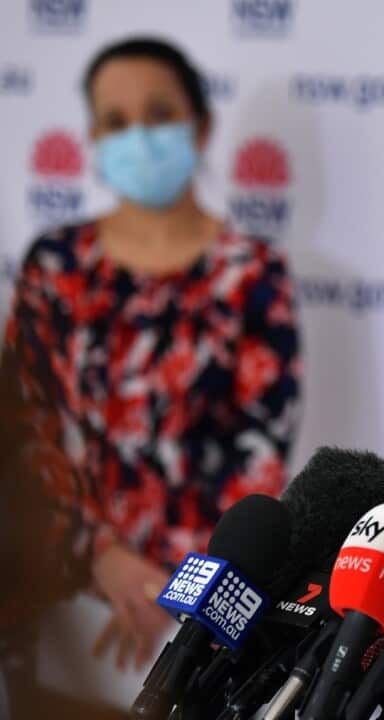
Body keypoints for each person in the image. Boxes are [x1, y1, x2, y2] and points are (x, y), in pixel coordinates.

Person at [1, 36, 301, 671]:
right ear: (94, 138)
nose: (138, 136)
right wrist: (100, 556)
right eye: (115, 121)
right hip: (57, 595)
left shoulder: (253, 275)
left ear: (201, 125)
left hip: (192, 612)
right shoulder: (55, 265)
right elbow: (24, 429)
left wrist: (171, 589)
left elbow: (258, 457)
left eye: (159, 113)